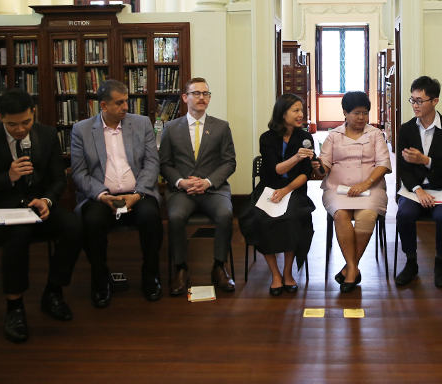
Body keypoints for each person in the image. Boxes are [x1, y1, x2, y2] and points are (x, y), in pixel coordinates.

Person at [0, 89, 83, 343]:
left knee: (74, 227)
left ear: (33, 113)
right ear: (0, 117)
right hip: (0, 211)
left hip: (36, 205)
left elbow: (58, 178)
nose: (20, 129)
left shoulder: (47, 135)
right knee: (19, 234)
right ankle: (14, 308)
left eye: (26, 122)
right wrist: (8, 177)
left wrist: (47, 200)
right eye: (12, 124)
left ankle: (53, 292)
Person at [71, 79, 162, 307]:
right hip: (101, 197)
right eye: (120, 103)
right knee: (91, 221)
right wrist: (102, 196)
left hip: (136, 193)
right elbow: (79, 173)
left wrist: (138, 194)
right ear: (103, 106)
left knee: (151, 218)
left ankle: (150, 276)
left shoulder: (141, 124)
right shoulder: (81, 130)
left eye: (126, 101)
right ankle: (100, 280)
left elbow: (152, 164)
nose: (126, 107)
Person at [159, 77, 237, 296]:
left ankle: (219, 267)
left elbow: (229, 162)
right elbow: (164, 164)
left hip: (213, 189)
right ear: (185, 98)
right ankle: (181, 268)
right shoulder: (171, 128)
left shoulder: (221, 127)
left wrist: (208, 182)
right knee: (175, 218)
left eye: (206, 94)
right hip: (182, 190)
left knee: (225, 214)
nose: (201, 97)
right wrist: (181, 182)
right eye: (196, 93)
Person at [239, 94, 316, 296]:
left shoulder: (306, 138)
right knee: (260, 219)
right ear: (283, 114)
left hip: (293, 189)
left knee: (292, 219)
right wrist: (296, 157)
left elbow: (305, 174)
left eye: (301, 110)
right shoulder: (267, 138)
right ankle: (275, 274)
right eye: (296, 110)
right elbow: (275, 171)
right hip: (269, 188)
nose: (301, 114)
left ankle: (288, 272)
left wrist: (286, 190)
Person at [319, 91, 392, 293]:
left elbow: (384, 164)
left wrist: (366, 183)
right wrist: (318, 167)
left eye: (365, 113)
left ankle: (349, 269)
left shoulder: (376, 134)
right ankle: (352, 268)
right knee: (340, 214)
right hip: (338, 189)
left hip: (371, 187)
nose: (361, 118)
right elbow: (324, 164)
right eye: (356, 113)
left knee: (367, 216)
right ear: (345, 112)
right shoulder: (333, 135)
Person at [394, 76, 442, 288]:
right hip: (414, 188)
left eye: (420, 101)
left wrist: (426, 160)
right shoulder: (406, 130)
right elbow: (403, 168)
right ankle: (411, 262)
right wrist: (417, 190)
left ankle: (440, 262)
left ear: (434, 101)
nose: (415, 105)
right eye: (412, 100)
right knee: (404, 214)